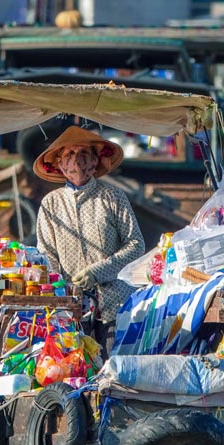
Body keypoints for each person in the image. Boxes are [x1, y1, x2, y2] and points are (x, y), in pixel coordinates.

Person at [33, 125, 145, 357]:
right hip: (72, 305)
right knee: (75, 369)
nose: (76, 162)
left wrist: (98, 271)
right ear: (60, 165)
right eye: (69, 155)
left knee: (115, 368)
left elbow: (136, 245)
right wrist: (63, 288)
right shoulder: (51, 204)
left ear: (95, 162)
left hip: (115, 302)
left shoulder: (113, 197)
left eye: (83, 154)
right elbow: (46, 253)